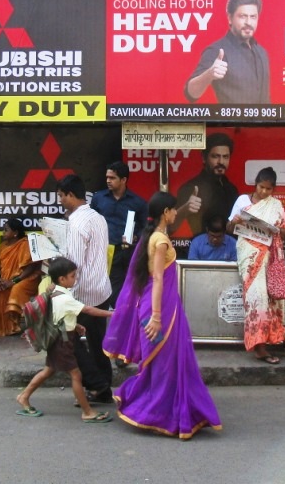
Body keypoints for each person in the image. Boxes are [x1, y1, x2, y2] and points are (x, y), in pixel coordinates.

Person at [103, 191, 222, 439]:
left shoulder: (154, 236)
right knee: (165, 365)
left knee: (164, 364)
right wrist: (157, 317)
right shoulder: (160, 241)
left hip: (161, 306)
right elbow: (157, 278)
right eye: (174, 210)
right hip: (159, 310)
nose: (176, 213)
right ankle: (155, 412)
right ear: (165, 213)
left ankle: (166, 411)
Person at [15, 257, 114, 423]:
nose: (75, 279)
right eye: (73, 276)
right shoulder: (65, 298)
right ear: (62, 279)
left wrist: (75, 326)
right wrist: (112, 313)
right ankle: (87, 411)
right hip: (63, 343)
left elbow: (59, 316)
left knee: (48, 371)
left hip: (59, 341)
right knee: (76, 375)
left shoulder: (54, 292)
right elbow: (88, 310)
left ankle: (23, 396)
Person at [57, 173, 114, 404]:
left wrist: (65, 292)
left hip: (82, 291)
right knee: (97, 342)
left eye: (61, 196)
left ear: (71, 195)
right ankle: (104, 388)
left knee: (67, 343)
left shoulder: (76, 223)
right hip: (101, 288)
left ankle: (97, 384)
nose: (60, 200)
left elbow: (74, 265)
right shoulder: (98, 217)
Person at [228, 167, 285, 364]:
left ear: (274, 189)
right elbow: (229, 228)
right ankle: (260, 347)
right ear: (255, 184)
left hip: (269, 257)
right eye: (261, 187)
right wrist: (236, 221)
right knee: (256, 301)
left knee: (271, 302)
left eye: (268, 189)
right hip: (248, 257)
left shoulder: (276, 205)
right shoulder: (242, 201)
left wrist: (277, 230)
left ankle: (283, 334)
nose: (264, 192)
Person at [184, 0, 270, 105]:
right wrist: (209, 74)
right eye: (242, 16)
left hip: (263, 122)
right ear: (230, 18)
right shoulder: (217, 51)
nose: (248, 22)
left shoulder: (261, 52)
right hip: (233, 123)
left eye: (253, 17)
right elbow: (190, 93)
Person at [89, 161, 146, 305]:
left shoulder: (138, 202)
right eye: (107, 177)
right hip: (102, 250)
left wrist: (136, 236)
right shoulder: (98, 198)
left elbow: (146, 227)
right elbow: (90, 222)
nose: (108, 180)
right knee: (98, 288)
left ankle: (118, 316)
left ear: (124, 180)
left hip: (124, 252)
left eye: (112, 178)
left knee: (120, 290)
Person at [0, 218, 41, 337]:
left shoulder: (24, 244)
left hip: (25, 279)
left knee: (15, 290)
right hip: (5, 279)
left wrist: (13, 281)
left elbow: (30, 268)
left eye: (6, 230)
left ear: (15, 233)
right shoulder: (3, 246)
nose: (2, 233)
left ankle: (12, 326)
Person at [175, 132, 239, 239]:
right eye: (215, 156)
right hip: (201, 250)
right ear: (204, 158)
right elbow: (170, 228)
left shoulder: (231, 189)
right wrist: (185, 209)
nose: (221, 162)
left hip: (229, 250)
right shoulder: (190, 188)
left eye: (225, 157)